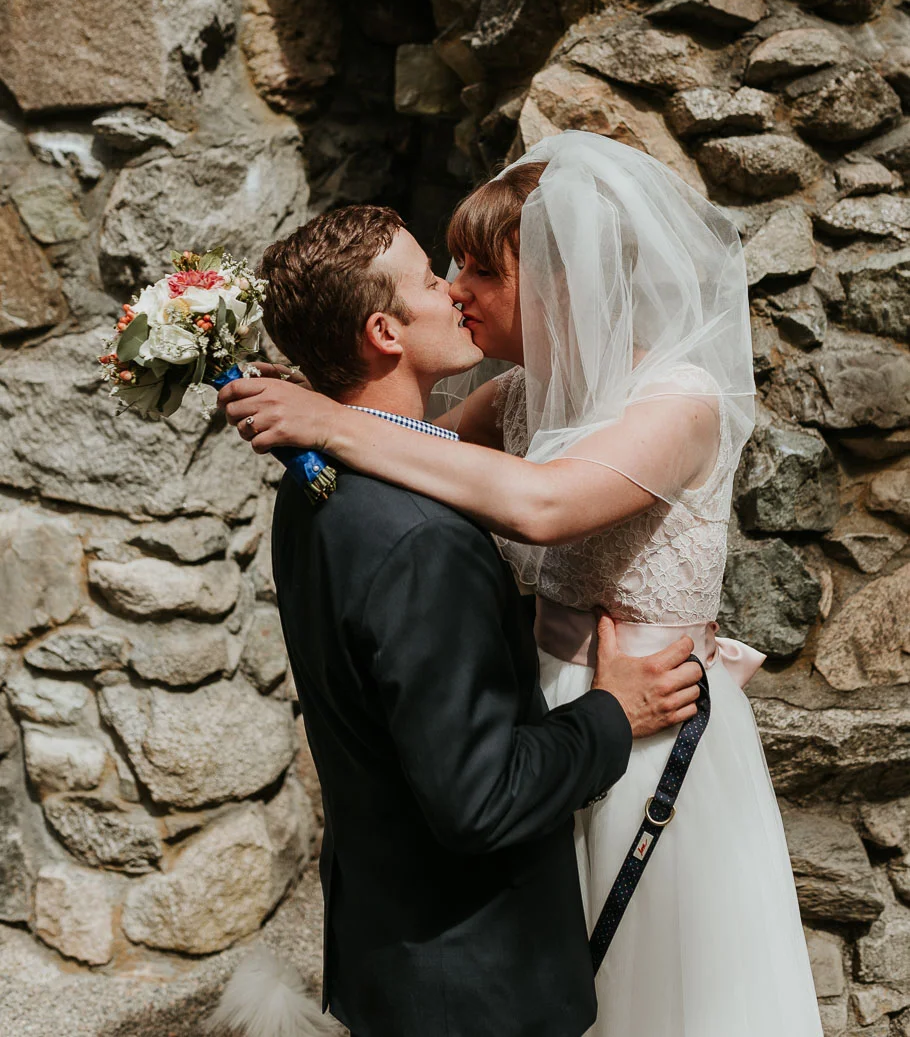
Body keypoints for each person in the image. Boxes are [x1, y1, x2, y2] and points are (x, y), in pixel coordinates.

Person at [221, 132, 823, 1037]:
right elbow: (420, 451)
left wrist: (326, 420)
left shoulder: (680, 401)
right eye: (443, 269)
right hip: (546, 717)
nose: (457, 288)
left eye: (477, 269)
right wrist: (328, 403)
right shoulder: (519, 396)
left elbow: (540, 502)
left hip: (648, 718)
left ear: (556, 278)